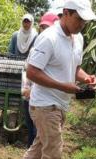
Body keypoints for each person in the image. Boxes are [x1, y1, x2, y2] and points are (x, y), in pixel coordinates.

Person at [6, 0, 96, 159]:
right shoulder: (48, 38)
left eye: (85, 21)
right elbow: (32, 72)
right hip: (45, 103)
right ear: (65, 13)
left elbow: (74, 68)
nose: (82, 24)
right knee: (53, 152)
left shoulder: (78, 38)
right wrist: (62, 85)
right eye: (79, 19)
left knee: (41, 145)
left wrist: (87, 78)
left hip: (61, 102)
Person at [22, 12, 59, 149]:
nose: (45, 30)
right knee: (32, 130)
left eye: (48, 27)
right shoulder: (35, 49)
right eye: (43, 27)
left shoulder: (56, 50)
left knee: (40, 133)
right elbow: (28, 71)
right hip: (29, 96)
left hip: (43, 98)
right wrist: (25, 88)